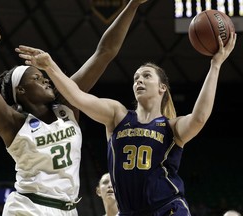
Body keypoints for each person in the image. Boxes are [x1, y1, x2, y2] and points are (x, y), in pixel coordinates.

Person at [16, 26, 237, 215]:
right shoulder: (117, 115)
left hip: (167, 208)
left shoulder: (171, 127)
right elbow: (77, 96)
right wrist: (50, 66)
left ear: (162, 87)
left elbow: (199, 118)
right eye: (136, 78)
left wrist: (215, 65)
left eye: (146, 76)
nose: (139, 80)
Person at [0, 1, 148, 215]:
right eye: (36, 78)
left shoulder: (68, 105)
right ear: (21, 91)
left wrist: (133, 4)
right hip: (28, 208)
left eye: (44, 76)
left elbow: (105, 52)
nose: (45, 81)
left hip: (68, 209)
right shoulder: (12, 122)